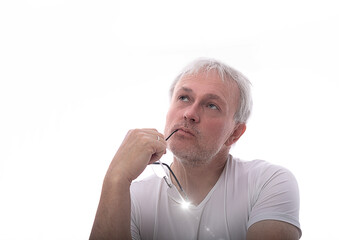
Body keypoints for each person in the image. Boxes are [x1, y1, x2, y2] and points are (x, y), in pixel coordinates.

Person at [90, 58, 302, 240]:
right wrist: (116, 179)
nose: (189, 113)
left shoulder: (268, 183)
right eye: (184, 98)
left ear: (235, 133)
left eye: (211, 105)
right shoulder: (132, 198)